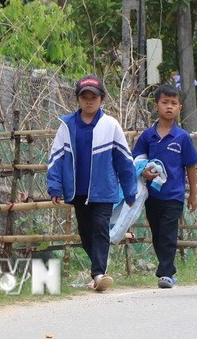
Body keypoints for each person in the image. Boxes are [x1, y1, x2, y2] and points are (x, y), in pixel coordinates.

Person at [47, 75, 137, 293]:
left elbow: (124, 160)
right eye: (84, 97)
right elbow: (56, 158)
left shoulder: (110, 125)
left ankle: (98, 273)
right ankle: (99, 270)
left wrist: (130, 190)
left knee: (100, 227)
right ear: (77, 99)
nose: (89, 101)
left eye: (93, 97)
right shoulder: (67, 126)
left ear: (102, 99)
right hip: (77, 189)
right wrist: (55, 187)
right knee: (86, 232)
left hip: (103, 189)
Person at [132, 84, 197, 289]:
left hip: (174, 195)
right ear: (156, 106)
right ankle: (167, 268)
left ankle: (166, 273)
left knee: (169, 232)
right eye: (165, 103)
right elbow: (136, 160)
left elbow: (191, 166)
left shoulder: (182, 138)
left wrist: (193, 195)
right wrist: (143, 172)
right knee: (157, 233)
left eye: (173, 103)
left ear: (179, 107)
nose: (169, 107)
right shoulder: (147, 136)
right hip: (152, 194)